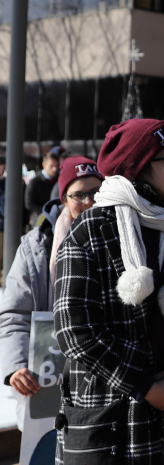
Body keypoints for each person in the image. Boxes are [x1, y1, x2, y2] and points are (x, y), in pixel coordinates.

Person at [53, 119, 164, 465]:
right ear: (138, 169)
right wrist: (143, 386)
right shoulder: (91, 231)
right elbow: (75, 331)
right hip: (113, 414)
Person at [0, 157, 103, 430]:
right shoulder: (35, 248)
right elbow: (14, 313)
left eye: (97, 193)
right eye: (79, 195)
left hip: (106, 381)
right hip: (47, 381)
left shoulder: (126, 240)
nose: (90, 202)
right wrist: (16, 366)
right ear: (64, 199)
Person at [25, 147, 62, 221]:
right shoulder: (34, 182)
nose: (54, 169)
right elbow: (29, 204)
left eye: (56, 166)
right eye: (51, 166)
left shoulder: (59, 179)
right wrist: (47, 210)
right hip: (40, 218)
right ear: (44, 164)